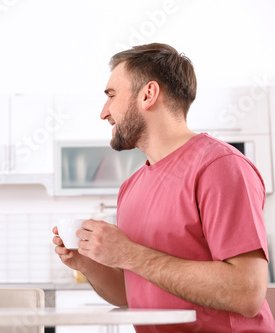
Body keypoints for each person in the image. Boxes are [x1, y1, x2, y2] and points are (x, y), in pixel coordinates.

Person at [53, 43, 275, 332]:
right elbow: (130, 294)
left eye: (111, 96)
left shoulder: (221, 166)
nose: (104, 112)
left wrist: (129, 253)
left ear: (148, 94)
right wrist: (90, 262)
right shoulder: (130, 187)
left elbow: (247, 292)